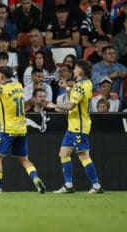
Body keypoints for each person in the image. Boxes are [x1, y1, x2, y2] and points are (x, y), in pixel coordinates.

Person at [0, 66, 46, 194]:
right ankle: (36, 178)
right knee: (24, 159)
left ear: (2, 76)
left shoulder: (1, 89)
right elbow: (4, 86)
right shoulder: (18, 85)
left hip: (8, 128)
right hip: (22, 128)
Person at [47, 60, 104, 194]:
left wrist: (55, 106)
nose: (73, 70)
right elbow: (73, 99)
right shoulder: (85, 83)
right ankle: (68, 185)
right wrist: (66, 88)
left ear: (80, 71)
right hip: (73, 126)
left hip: (79, 126)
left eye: (76, 68)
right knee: (63, 154)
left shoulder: (80, 86)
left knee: (83, 156)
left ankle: (96, 185)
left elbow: (71, 106)